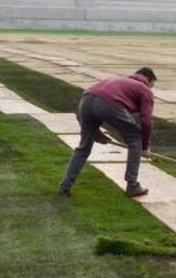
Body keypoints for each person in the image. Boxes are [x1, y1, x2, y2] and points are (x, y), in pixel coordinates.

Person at [59, 67, 158, 198]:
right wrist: (144, 147)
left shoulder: (116, 80)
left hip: (86, 100)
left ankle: (64, 188)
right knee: (135, 139)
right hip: (109, 103)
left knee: (84, 147)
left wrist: (96, 134)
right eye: (152, 85)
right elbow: (146, 121)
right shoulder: (144, 89)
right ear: (149, 80)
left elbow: (84, 114)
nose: (151, 88)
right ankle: (132, 185)